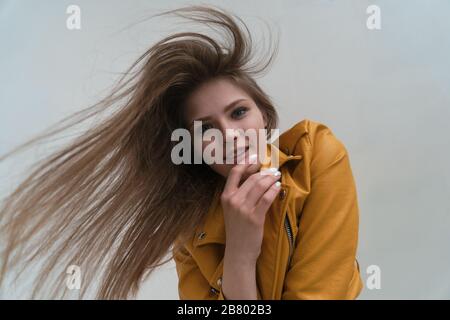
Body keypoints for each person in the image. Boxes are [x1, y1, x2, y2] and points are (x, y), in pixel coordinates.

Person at [0, 4, 362, 299]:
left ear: (264, 115)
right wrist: (239, 252)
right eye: (206, 129)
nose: (231, 136)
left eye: (239, 112)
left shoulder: (315, 159)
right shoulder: (191, 233)